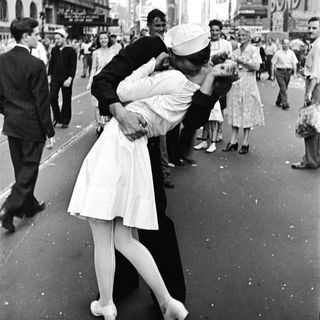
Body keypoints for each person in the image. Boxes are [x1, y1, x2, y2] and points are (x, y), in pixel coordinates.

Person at [69, 24, 232, 320]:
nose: (168, 55)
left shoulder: (188, 72)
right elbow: (103, 82)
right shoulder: (150, 49)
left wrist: (206, 79)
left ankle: (127, 299)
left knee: (131, 221)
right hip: (134, 137)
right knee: (126, 230)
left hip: (133, 144)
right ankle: (147, 295)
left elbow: (193, 117)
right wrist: (121, 112)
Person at [0, 18, 55, 232]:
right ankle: (8, 208)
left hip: (12, 124)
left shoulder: (2, 61)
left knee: (21, 169)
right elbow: (42, 101)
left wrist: (11, 111)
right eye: (36, 33)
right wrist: (49, 131)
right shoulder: (36, 64)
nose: (38, 37)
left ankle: (29, 206)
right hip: (32, 126)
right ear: (25, 36)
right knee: (29, 169)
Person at [222, 27, 265, 155]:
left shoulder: (254, 50)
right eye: (239, 35)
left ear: (249, 36)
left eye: (243, 35)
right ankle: (233, 141)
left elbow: (256, 66)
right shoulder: (235, 51)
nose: (241, 37)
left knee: (247, 111)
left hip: (248, 84)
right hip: (236, 83)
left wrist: (241, 60)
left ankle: (245, 142)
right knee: (235, 110)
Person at [194, 19, 232, 153]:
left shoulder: (226, 44)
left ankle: (218, 132)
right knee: (205, 107)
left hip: (220, 79)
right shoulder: (206, 44)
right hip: (206, 77)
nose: (215, 32)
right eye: (212, 30)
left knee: (218, 107)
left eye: (217, 30)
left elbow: (229, 62)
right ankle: (205, 137)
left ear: (221, 31)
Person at [291, 16, 320, 170]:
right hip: (315, 85)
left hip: (315, 87)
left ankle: (310, 160)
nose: (310, 30)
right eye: (309, 27)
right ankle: (315, 157)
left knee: (310, 123)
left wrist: (308, 93)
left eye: (314, 28)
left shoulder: (317, 46)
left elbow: (315, 73)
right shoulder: (314, 45)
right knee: (317, 123)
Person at [86, 32, 121, 135]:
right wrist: (90, 82)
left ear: (108, 39)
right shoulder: (95, 53)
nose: (103, 40)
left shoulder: (114, 51)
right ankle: (99, 125)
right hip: (99, 80)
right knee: (97, 104)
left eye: (105, 38)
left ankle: (110, 125)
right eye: (101, 39)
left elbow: (118, 67)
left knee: (110, 103)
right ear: (98, 40)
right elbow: (93, 68)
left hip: (111, 80)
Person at [48, 28, 77, 128]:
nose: (56, 41)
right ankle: (57, 117)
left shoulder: (71, 50)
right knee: (52, 97)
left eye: (58, 38)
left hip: (66, 78)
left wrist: (70, 78)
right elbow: (51, 63)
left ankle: (65, 120)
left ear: (64, 38)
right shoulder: (54, 50)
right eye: (55, 39)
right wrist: (49, 75)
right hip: (55, 78)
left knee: (66, 99)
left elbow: (73, 66)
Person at [271, 38, 298, 110]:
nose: (285, 45)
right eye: (284, 43)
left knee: (284, 88)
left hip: (288, 72)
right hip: (279, 72)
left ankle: (278, 101)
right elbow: (273, 64)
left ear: (289, 44)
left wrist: (295, 73)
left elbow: (294, 63)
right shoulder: (278, 53)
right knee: (283, 88)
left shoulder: (291, 53)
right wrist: (272, 75)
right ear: (282, 44)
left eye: (287, 44)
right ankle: (285, 104)